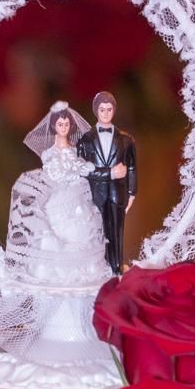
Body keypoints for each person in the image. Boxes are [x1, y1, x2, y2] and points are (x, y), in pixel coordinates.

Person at [6, 100, 108, 287]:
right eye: (60, 124)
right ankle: (60, 268)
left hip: (77, 191)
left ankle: (85, 268)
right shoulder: (50, 153)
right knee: (59, 229)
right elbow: (55, 172)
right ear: (54, 126)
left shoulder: (74, 148)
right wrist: (71, 170)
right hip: (59, 193)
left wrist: (84, 168)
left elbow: (78, 166)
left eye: (67, 124)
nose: (64, 127)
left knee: (85, 226)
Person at [76, 89, 138, 274]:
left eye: (109, 109)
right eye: (102, 109)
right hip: (95, 194)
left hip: (117, 193)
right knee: (97, 232)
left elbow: (132, 168)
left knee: (117, 231)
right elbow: (82, 170)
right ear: (96, 111)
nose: (105, 113)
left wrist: (132, 192)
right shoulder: (85, 140)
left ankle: (116, 267)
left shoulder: (126, 140)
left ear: (114, 110)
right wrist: (110, 173)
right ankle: (98, 267)